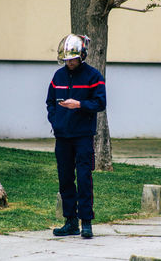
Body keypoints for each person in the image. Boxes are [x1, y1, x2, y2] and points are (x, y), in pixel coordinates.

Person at [46, 34, 106, 238]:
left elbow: (100, 103)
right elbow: (50, 102)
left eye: (72, 59)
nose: (69, 63)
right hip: (62, 136)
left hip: (83, 136)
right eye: (66, 60)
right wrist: (55, 121)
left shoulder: (94, 76)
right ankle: (70, 222)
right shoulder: (58, 76)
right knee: (65, 179)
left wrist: (79, 104)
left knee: (83, 178)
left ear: (82, 56)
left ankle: (86, 222)